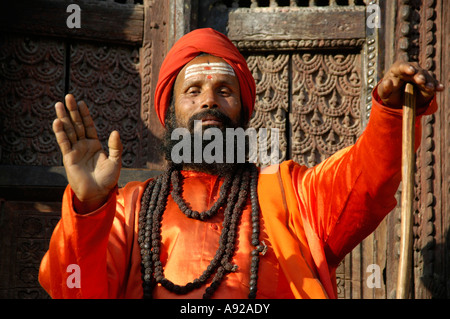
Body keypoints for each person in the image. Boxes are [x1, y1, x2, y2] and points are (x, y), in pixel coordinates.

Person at [38, 28, 443, 299]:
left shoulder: (290, 193)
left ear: (244, 109)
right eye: (192, 90)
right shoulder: (129, 207)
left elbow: (365, 182)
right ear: (171, 113)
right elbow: (72, 291)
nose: (209, 100)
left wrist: (390, 113)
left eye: (224, 89)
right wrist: (89, 208)